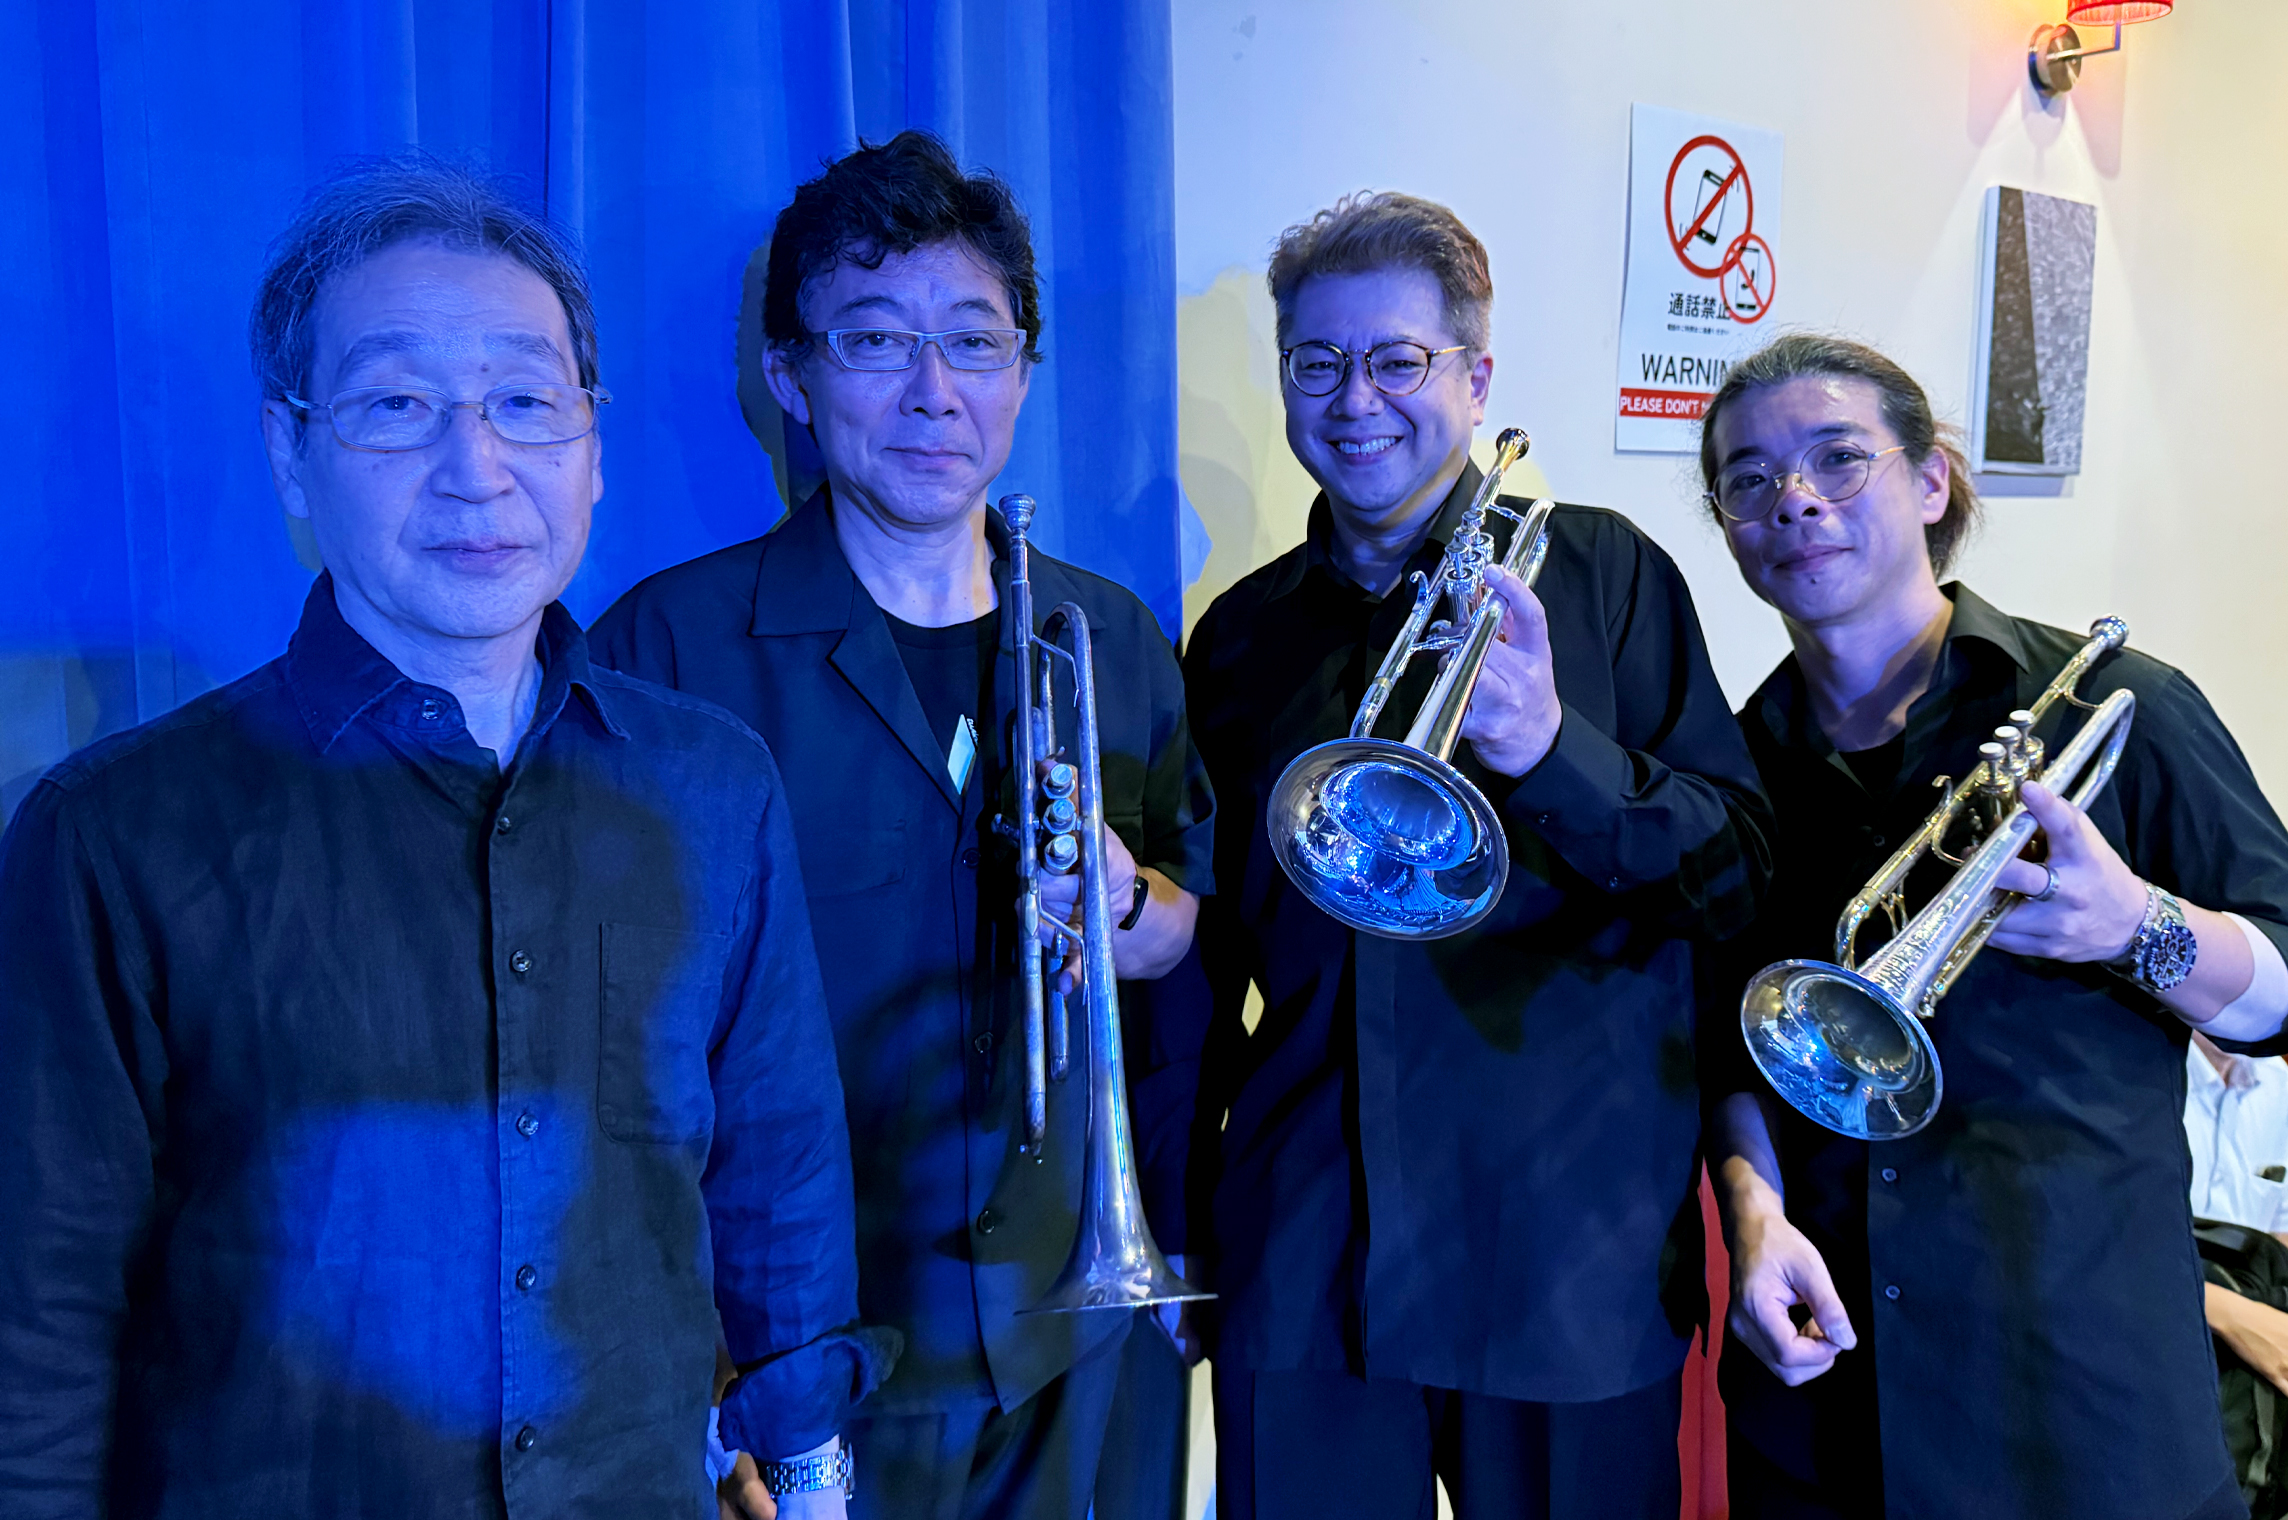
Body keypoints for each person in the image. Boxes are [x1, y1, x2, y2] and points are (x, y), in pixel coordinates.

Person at [0, 158, 889, 1519]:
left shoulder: (713, 785)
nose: (476, 468)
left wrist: (816, 1478)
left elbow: (779, 1181)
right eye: (397, 405)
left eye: (526, 402)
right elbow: (42, 1314)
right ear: (290, 450)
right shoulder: (111, 835)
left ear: (592, 448)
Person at [590, 131, 1215, 1520]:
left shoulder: (1111, 637)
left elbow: (1187, 958)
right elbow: (605, 1055)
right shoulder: (665, 650)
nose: (935, 391)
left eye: (974, 343)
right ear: (790, 376)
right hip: (800, 1357)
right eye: (875, 340)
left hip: (1075, 1331)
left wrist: (1125, 909)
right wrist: (693, 1364)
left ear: (1022, 373)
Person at [1177, 191, 1773, 1519]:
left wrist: (1552, 747)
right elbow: (1211, 956)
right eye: (1318, 363)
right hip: (1308, 1247)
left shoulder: (1606, 579)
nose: (1356, 400)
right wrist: (1178, 1223)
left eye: (1398, 360)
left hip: (1562, 1254)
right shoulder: (1239, 638)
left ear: (1476, 377)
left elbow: (1734, 874)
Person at [1700, 332, 2288, 1520]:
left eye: (1836, 458)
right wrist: (1752, 1216)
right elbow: (1724, 1042)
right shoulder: (1727, 771)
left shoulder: (2120, 705)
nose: (1793, 498)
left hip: (2082, 1399)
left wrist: (2132, 923)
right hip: (1830, 1406)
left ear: (1930, 482)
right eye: (1747, 478)